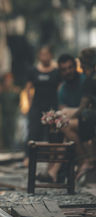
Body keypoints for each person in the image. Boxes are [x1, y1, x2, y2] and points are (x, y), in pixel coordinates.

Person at [41, 53, 87, 182]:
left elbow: (87, 108)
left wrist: (67, 113)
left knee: (64, 125)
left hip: (87, 121)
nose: (68, 72)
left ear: (76, 67)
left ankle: (54, 171)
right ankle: (54, 171)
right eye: (64, 69)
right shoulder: (62, 89)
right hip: (73, 124)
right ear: (60, 72)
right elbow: (62, 110)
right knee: (58, 128)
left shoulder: (85, 81)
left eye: (70, 67)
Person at [60, 48, 96, 182]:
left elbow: (82, 108)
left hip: (92, 120)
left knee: (64, 125)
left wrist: (66, 116)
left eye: (80, 62)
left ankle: (85, 160)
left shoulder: (89, 79)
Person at [23, 46, 61, 166]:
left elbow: (60, 88)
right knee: (33, 132)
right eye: (42, 54)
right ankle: (29, 157)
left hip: (52, 106)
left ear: (51, 55)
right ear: (39, 56)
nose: (44, 57)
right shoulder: (33, 71)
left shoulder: (56, 72)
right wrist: (29, 104)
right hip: (37, 106)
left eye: (47, 54)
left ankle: (52, 158)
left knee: (53, 133)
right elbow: (28, 88)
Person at [0, 73, 20, 151]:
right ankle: (5, 147)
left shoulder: (15, 91)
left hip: (12, 114)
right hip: (4, 115)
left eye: (9, 80)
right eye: (7, 80)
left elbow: (18, 102)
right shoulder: (2, 92)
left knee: (12, 130)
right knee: (4, 131)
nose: (8, 82)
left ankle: (12, 147)